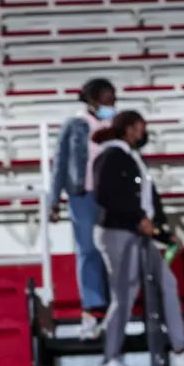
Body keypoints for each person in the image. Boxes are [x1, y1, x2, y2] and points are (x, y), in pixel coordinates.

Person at [91, 109, 184, 366]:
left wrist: (164, 233)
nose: (142, 133)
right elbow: (105, 195)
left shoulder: (132, 158)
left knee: (167, 283)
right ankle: (110, 358)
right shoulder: (110, 156)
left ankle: (180, 350)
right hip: (117, 232)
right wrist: (139, 218)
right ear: (128, 129)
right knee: (125, 292)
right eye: (139, 128)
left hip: (138, 233)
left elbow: (150, 202)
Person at [49, 77, 115, 338]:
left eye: (114, 97)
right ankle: (90, 310)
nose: (112, 102)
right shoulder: (74, 125)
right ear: (93, 98)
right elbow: (61, 163)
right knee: (88, 250)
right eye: (108, 97)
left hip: (112, 196)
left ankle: (114, 311)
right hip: (82, 194)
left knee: (113, 251)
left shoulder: (116, 124)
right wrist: (54, 201)